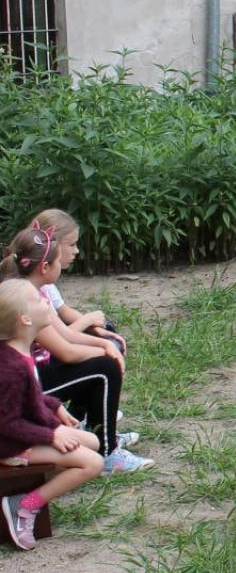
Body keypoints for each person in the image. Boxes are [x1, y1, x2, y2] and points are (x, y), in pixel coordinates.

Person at [0, 226, 151, 474]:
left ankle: (90, 428)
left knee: (102, 357)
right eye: (64, 254)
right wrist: (108, 354)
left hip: (36, 378)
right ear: (45, 267)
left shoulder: (34, 291)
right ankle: (107, 452)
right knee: (104, 368)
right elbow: (67, 352)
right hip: (27, 387)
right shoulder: (24, 303)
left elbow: (68, 334)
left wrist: (105, 342)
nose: (74, 253)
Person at [0, 279, 104, 550]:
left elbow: (28, 397)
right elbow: (6, 422)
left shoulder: (19, 352)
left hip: (23, 431)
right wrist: (51, 434)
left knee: (92, 442)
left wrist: (55, 406)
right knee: (92, 463)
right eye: (37, 300)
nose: (45, 300)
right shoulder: (10, 368)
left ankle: (36, 482)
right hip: (9, 444)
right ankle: (24, 505)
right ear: (24, 319)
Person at [30, 209, 126, 351]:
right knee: (109, 354)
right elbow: (59, 336)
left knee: (107, 328)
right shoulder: (33, 288)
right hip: (48, 350)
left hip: (59, 339)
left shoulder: (44, 281)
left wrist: (95, 327)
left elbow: (64, 311)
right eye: (72, 244)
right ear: (52, 245)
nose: (77, 251)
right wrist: (88, 321)